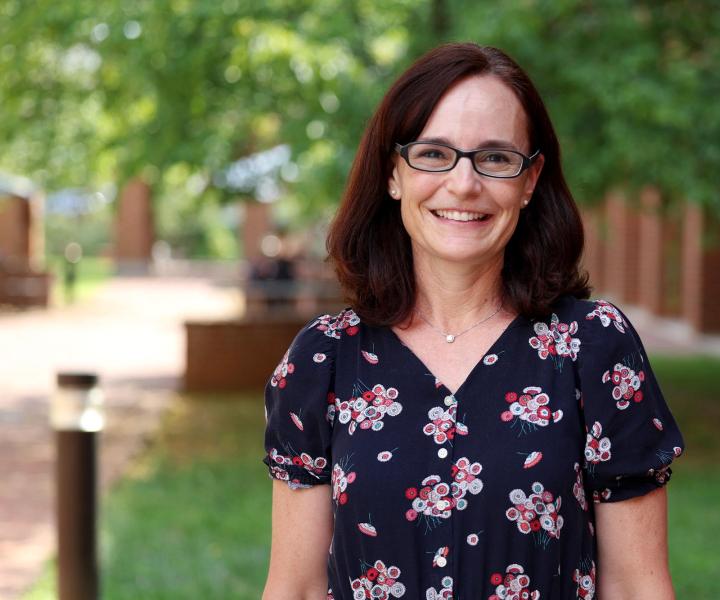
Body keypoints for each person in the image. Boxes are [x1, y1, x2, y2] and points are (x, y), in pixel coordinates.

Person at [262, 42, 684, 600]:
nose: (463, 184)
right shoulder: (324, 360)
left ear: (529, 181)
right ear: (394, 175)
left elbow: (636, 587)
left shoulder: (593, 348)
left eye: (496, 158)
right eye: (434, 154)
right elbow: (297, 588)